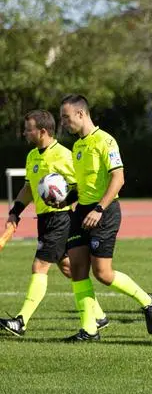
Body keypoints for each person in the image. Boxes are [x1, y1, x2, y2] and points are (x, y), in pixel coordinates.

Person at [57, 94, 152, 342]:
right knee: (78, 269)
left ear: (81, 114)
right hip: (81, 211)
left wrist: (99, 209)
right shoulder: (78, 146)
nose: (64, 123)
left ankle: (147, 301)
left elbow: (118, 179)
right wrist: (64, 200)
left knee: (102, 272)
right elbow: (83, 187)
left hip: (105, 211)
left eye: (66, 117)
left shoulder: (106, 141)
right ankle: (89, 330)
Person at [1, 110, 108, 336]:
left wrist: (64, 200)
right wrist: (15, 213)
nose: (24, 132)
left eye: (28, 128)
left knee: (39, 266)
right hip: (44, 220)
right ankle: (98, 316)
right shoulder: (32, 156)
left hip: (61, 219)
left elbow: (80, 185)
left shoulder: (63, 155)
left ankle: (21, 321)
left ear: (42, 131)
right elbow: (29, 188)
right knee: (69, 268)